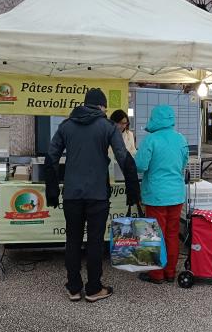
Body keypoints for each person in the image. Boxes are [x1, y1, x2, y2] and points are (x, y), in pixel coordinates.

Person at [44, 89, 140, 302]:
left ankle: (74, 288)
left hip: (71, 194)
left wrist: (51, 191)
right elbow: (123, 157)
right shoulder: (107, 127)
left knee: (72, 240)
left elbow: (51, 158)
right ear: (101, 106)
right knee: (95, 241)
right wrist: (133, 191)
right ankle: (94, 288)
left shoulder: (66, 126)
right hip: (97, 194)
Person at [134, 105, 188, 284]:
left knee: (154, 234)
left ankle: (156, 274)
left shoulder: (151, 140)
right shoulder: (181, 139)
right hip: (176, 194)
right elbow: (183, 164)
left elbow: (141, 166)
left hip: (156, 194)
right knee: (172, 234)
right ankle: (170, 272)